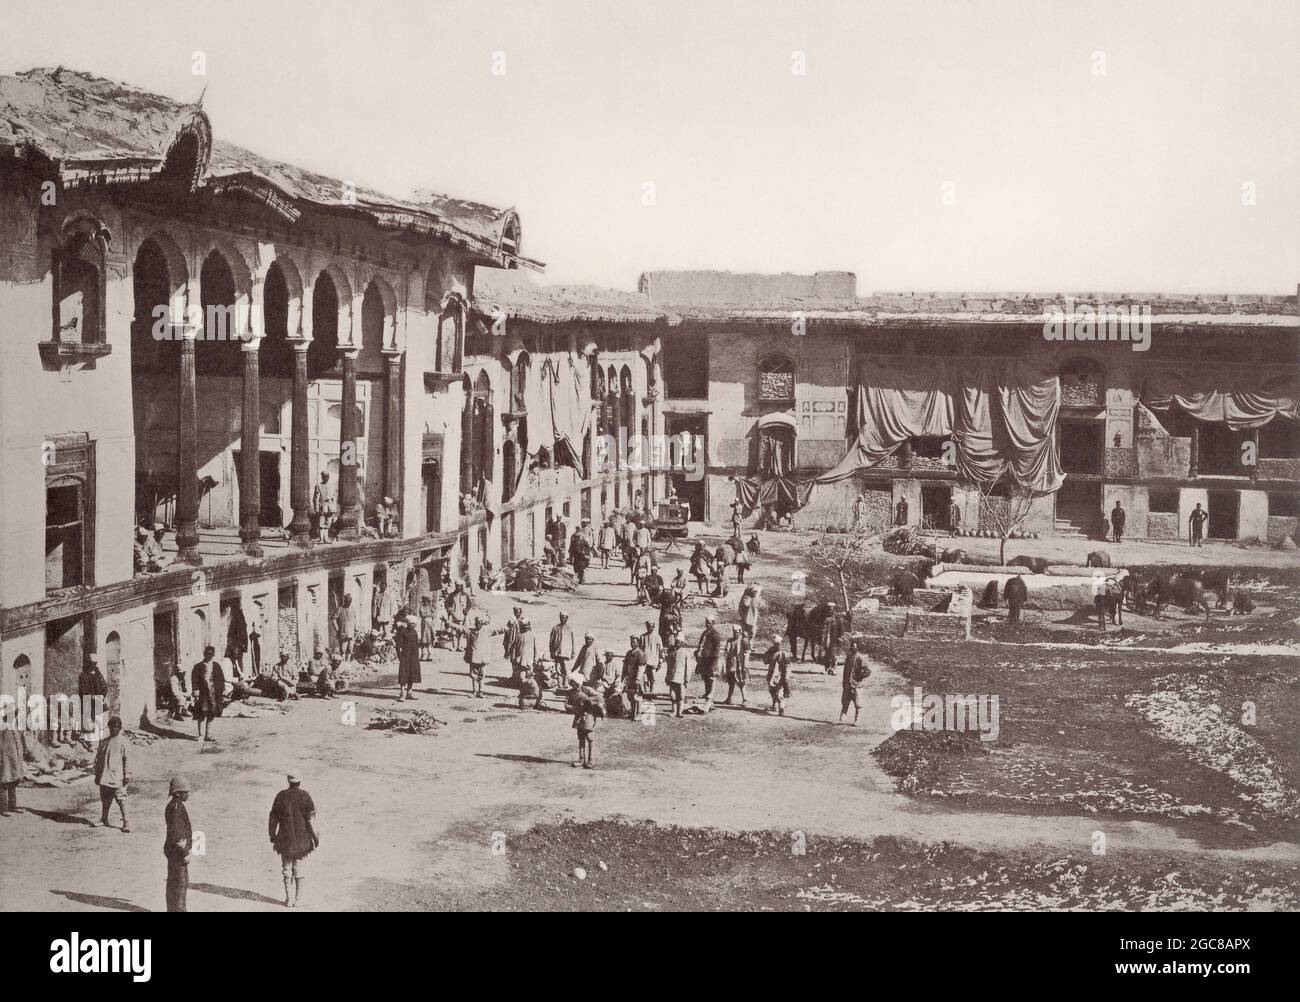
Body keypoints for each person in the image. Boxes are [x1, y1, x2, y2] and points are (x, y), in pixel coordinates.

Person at [269, 771, 319, 908]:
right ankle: (298, 900)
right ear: (299, 781)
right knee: (299, 870)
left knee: (286, 869)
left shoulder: (281, 796)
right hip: (302, 840)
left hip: (285, 840)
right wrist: (316, 838)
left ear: (288, 781)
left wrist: (272, 835)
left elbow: (273, 817)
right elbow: (311, 820)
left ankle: (288, 899)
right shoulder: (305, 796)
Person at [93, 716, 130, 832]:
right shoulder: (104, 742)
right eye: (111, 728)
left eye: (116, 728)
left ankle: (126, 823)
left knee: (121, 799)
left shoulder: (123, 742)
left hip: (117, 776)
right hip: (104, 775)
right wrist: (97, 775)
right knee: (105, 799)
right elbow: (98, 760)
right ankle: (104, 819)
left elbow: (127, 759)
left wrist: (127, 774)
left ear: (120, 728)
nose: (114, 730)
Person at [163, 776, 193, 912]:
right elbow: (178, 835)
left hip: (172, 851)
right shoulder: (176, 808)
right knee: (180, 885)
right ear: (177, 793)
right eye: (184, 792)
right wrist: (185, 853)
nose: (187, 794)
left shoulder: (174, 805)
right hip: (177, 853)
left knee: (173, 883)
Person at [191, 646, 225, 742]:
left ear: (213, 655)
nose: (209, 656)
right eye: (207, 654)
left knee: (211, 713)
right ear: (204, 654)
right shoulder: (198, 667)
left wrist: (221, 691)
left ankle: (208, 734)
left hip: (214, 694)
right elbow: (194, 680)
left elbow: (221, 679)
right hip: (203, 694)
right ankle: (201, 735)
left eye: (211, 654)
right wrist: (196, 693)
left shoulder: (216, 666)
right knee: (201, 713)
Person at [77, 654, 108, 741]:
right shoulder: (83, 675)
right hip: (88, 701)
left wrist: (102, 696)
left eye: (95, 663)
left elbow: (104, 686)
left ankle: (99, 739)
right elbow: (82, 691)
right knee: (89, 720)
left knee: (99, 720)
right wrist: (91, 697)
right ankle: (90, 741)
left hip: (98, 700)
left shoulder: (98, 674)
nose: (93, 665)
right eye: (91, 663)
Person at [0, 719, 27, 817]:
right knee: (3, 781)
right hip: (4, 757)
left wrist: (24, 749)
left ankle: (13, 805)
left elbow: (20, 736)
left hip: (14, 756)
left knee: (14, 779)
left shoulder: (14, 723)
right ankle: (3, 808)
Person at [840, 639, 870, 725]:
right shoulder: (849, 657)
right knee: (845, 702)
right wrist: (844, 682)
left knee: (858, 704)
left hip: (856, 685)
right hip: (847, 684)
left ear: (857, 647)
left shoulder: (860, 658)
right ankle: (842, 719)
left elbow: (868, 671)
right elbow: (845, 671)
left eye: (854, 646)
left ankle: (857, 720)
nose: (852, 647)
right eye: (851, 646)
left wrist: (859, 677)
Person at [695, 616, 722, 706]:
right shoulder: (704, 633)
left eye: (710, 623)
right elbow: (701, 644)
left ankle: (711, 694)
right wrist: (697, 652)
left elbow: (717, 648)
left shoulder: (716, 634)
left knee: (711, 677)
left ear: (713, 623)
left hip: (711, 659)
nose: (708, 624)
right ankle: (706, 692)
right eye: (707, 622)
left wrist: (714, 660)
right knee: (705, 676)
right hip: (703, 658)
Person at [395, 612, 421, 701]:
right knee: (404, 674)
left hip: (413, 657)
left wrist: (417, 656)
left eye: (414, 624)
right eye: (411, 624)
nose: (413, 626)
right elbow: (398, 645)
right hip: (405, 656)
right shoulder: (403, 632)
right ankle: (402, 693)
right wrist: (400, 656)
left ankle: (409, 692)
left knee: (412, 674)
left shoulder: (415, 633)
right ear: (408, 624)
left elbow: (417, 645)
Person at [665, 633, 692, 718]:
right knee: (672, 695)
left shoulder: (686, 653)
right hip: (672, 677)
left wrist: (687, 679)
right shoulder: (671, 652)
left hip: (681, 678)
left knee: (681, 696)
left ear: (682, 643)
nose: (677, 643)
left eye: (679, 642)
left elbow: (688, 667)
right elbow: (669, 666)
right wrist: (667, 677)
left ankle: (680, 712)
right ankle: (674, 711)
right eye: (676, 641)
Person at [464, 615, 490, 698]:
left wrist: (508, 627)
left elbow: (499, 630)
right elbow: (459, 628)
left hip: (483, 659)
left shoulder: (487, 632)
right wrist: (448, 623)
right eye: (477, 623)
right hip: (474, 658)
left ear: (482, 624)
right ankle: (475, 692)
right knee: (474, 677)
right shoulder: (470, 632)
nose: (478, 625)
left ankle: (481, 692)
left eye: (479, 623)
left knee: (481, 677)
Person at [723, 625, 749, 705]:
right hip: (731, 664)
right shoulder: (730, 641)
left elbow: (746, 653)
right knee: (731, 682)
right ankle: (729, 698)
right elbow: (726, 652)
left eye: (737, 632)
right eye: (734, 632)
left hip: (739, 665)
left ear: (740, 632)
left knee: (741, 682)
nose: (735, 634)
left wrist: (745, 665)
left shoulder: (743, 641)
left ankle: (745, 699)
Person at [572, 691, 598, 769]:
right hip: (585, 723)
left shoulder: (584, 699)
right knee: (584, 740)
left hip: (586, 723)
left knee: (587, 740)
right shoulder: (590, 701)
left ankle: (587, 760)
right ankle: (585, 760)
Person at [622, 635, 645, 720]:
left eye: (634, 642)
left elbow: (641, 667)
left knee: (637, 696)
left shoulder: (640, 653)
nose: (632, 644)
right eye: (631, 642)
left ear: (638, 643)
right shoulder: (628, 653)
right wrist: (623, 677)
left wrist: (638, 679)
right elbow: (625, 666)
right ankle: (632, 713)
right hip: (630, 678)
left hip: (637, 678)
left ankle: (638, 714)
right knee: (631, 696)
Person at [765, 634, 789, 715]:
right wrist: (767, 654)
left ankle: (781, 707)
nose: (778, 646)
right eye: (776, 644)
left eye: (779, 644)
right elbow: (766, 660)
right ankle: (774, 706)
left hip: (780, 675)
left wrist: (786, 677)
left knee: (779, 692)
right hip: (771, 674)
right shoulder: (771, 651)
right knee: (772, 690)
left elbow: (787, 667)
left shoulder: (784, 654)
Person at [549, 613, 575, 686]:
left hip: (566, 654)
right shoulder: (555, 628)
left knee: (566, 671)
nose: (562, 619)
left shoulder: (570, 628)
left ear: (567, 618)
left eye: (564, 617)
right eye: (561, 617)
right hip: (558, 653)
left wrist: (573, 652)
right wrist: (551, 651)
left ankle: (565, 685)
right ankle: (560, 686)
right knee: (558, 670)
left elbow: (573, 641)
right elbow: (551, 641)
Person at [640, 620, 663, 697]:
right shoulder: (642, 637)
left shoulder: (657, 637)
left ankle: (652, 692)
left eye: (652, 626)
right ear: (647, 627)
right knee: (645, 677)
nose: (650, 628)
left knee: (653, 678)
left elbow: (661, 650)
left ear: (654, 627)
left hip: (654, 661)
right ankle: (646, 693)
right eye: (649, 626)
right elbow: (640, 650)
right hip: (644, 662)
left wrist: (660, 661)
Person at [514, 618, 539, 691]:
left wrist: (515, 658)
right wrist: (535, 659)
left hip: (521, 661)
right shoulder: (532, 635)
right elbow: (536, 649)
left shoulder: (518, 636)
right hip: (529, 661)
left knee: (522, 678)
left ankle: (524, 691)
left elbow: (515, 648)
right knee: (529, 678)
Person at [312, 471, 336, 543]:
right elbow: (316, 498)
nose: (325, 478)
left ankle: (326, 538)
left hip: (330, 506)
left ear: (328, 477)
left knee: (328, 522)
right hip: (322, 506)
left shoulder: (332, 485)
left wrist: (334, 507)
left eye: (326, 476)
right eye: (324, 476)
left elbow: (334, 497)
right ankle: (321, 539)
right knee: (321, 523)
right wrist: (316, 508)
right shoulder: (318, 485)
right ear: (322, 477)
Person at [335, 594, 357, 662]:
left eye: (349, 601)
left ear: (351, 601)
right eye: (347, 601)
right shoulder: (340, 609)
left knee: (350, 648)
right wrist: (337, 628)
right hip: (343, 632)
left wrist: (355, 628)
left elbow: (355, 619)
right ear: (344, 601)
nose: (348, 603)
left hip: (351, 632)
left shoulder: (353, 609)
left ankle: (348, 662)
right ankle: (343, 662)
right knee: (343, 649)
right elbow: (333, 619)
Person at [418, 596, 438, 661]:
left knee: (430, 638)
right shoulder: (421, 608)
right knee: (424, 639)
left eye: (428, 601)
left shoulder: (430, 608)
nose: (427, 603)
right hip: (424, 624)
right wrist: (429, 614)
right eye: (425, 601)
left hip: (430, 624)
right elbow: (423, 615)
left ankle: (430, 655)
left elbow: (434, 614)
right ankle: (423, 654)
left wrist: (429, 614)